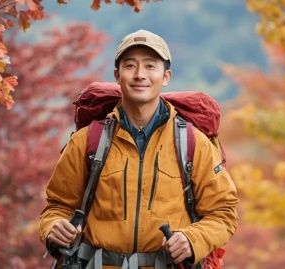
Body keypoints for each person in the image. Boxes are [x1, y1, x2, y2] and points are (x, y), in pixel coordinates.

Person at [39, 29, 239, 268]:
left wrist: (192, 239)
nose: (140, 75)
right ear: (117, 75)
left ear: (166, 76)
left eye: (150, 66)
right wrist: (53, 227)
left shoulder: (192, 143)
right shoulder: (88, 141)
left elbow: (224, 211)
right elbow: (57, 206)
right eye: (130, 66)